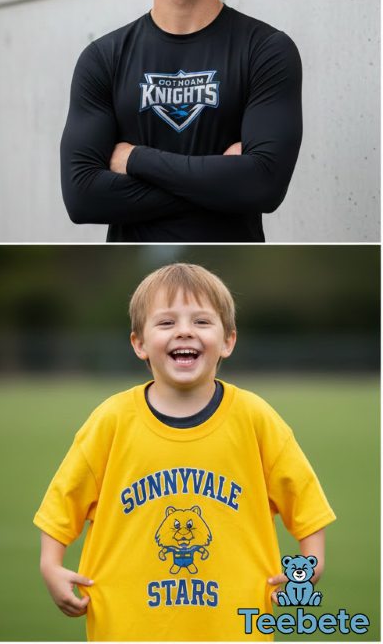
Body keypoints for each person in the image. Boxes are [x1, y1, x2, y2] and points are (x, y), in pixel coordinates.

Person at [34, 263, 334, 641]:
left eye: (202, 321)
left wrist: (309, 563)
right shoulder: (111, 420)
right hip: (128, 627)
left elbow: (306, 504)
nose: (184, 331)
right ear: (139, 343)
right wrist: (51, 565)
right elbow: (61, 506)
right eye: (166, 323)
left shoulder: (255, 418)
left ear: (228, 340)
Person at [60, 0, 302, 242]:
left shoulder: (266, 49)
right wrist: (221, 180)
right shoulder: (103, 58)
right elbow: (82, 198)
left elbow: (263, 187)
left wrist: (135, 159)